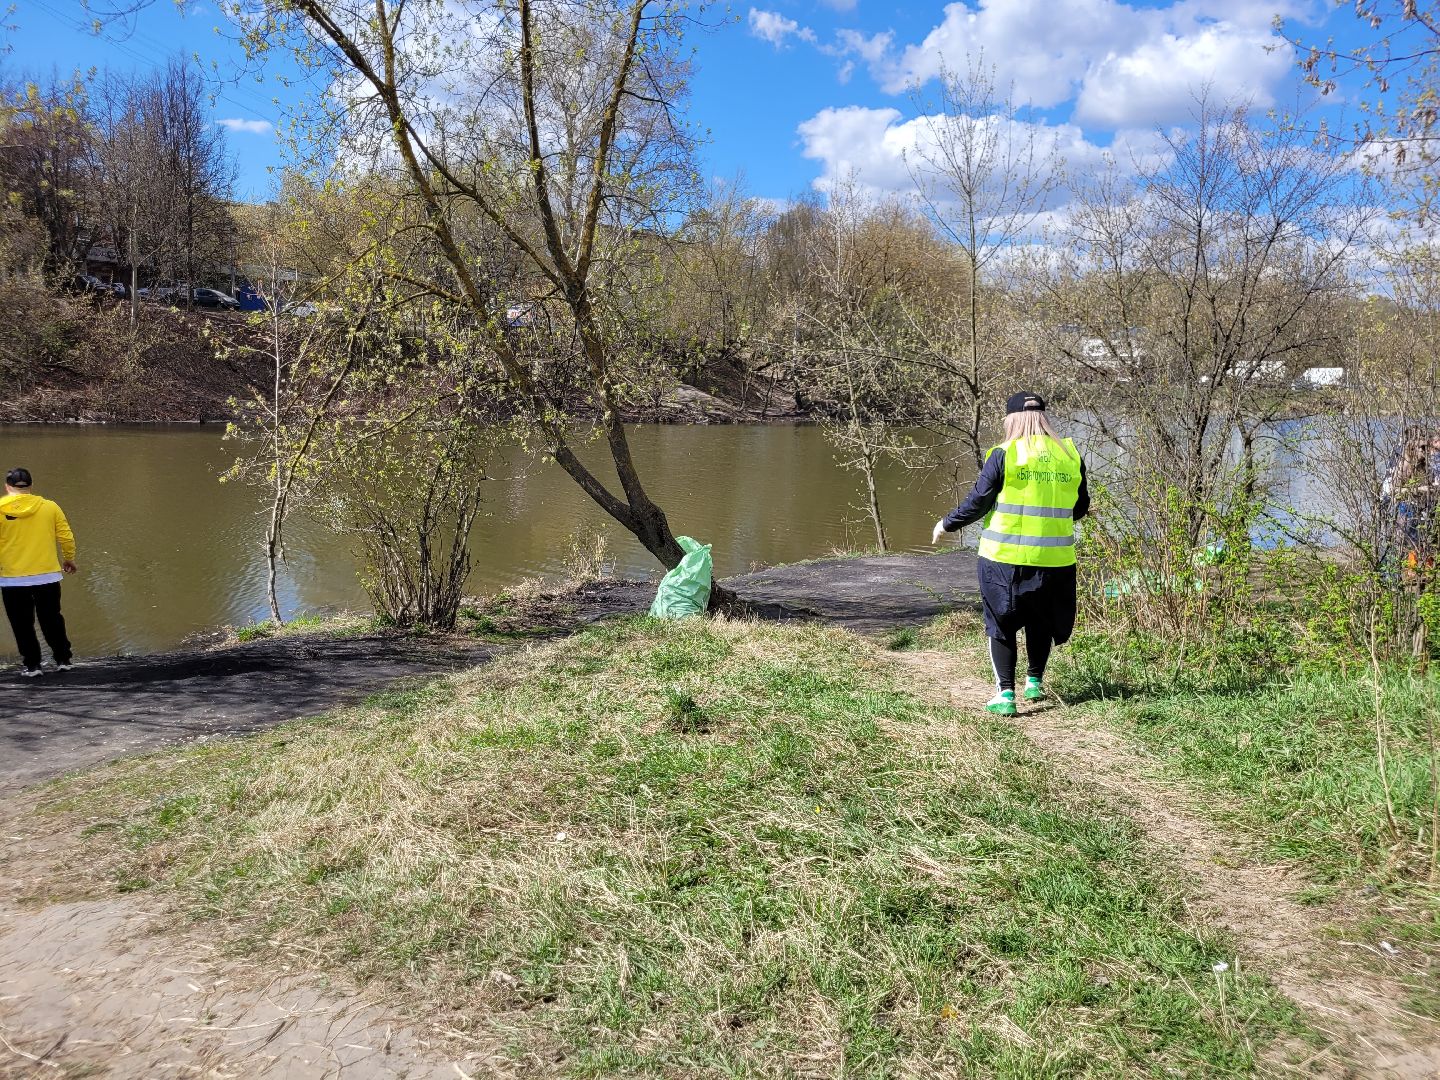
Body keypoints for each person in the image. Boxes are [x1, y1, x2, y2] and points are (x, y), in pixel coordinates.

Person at [931, 392, 1089, 716]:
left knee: (1001, 623)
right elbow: (1080, 508)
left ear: (1012, 419)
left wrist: (946, 524)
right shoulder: (1070, 455)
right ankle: (1034, 682)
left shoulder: (1005, 453)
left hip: (1004, 559)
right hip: (1056, 561)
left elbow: (979, 502)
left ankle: (1005, 695)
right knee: (1041, 620)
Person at [0, 468, 77, 677]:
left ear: (8, 487)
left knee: (21, 624)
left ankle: (33, 666)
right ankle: (63, 660)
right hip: (47, 576)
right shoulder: (49, 507)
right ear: (31, 486)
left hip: (13, 579)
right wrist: (69, 558)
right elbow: (66, 536)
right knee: (52, 619)